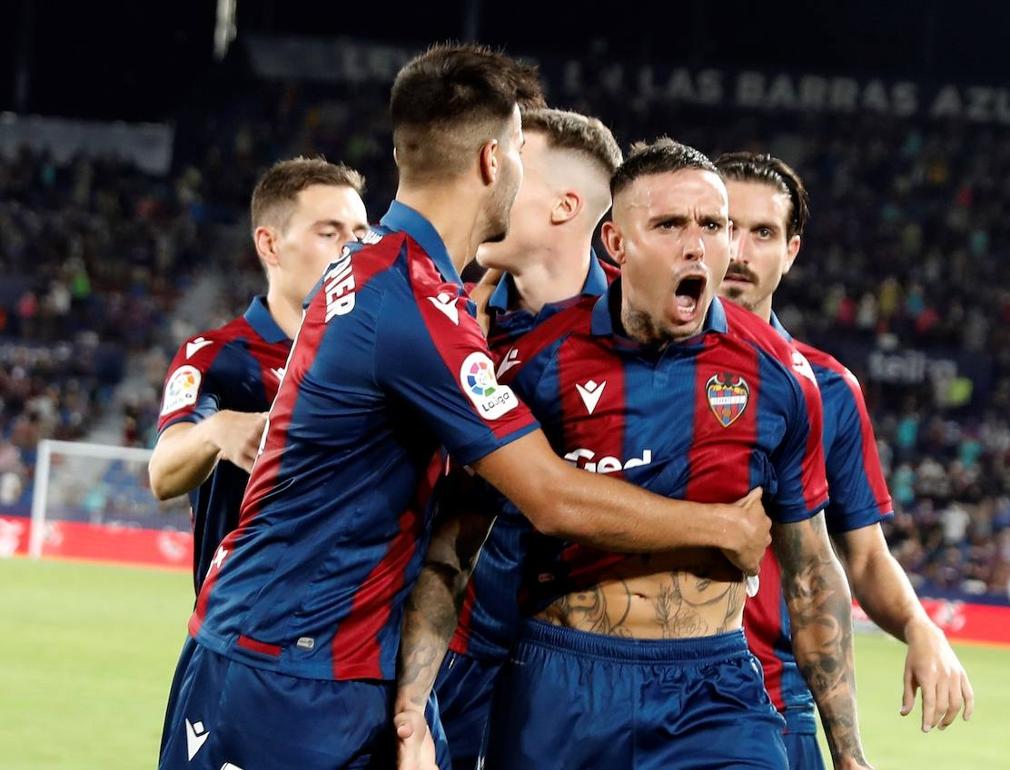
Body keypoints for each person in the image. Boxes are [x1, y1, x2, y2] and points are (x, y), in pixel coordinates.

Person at [157, 44, 769, 770]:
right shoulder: (412, 305)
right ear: (491, 160)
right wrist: (720, 526)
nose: (518, 167)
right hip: (283, 668)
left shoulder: (387, 271)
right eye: (517, 148)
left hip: (322, 656)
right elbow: (546, 495)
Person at [408, 138, 853, 770]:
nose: (696, 245)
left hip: (713, 687)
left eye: (713, 226)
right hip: (560, 685)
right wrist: (411, 708)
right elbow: (453, 549)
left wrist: (852, 753)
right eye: (669, 224)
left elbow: (811, 569)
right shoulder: (534, 362)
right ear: (616, 244)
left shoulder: (782, 376)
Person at [716, 152, 975, 764]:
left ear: (792, 250)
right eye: (725, 226)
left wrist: (919, 626)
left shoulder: (828, 389)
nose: (739, 253)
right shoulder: (632, 363)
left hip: (773, 705)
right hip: (635, 690)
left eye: (763, 233)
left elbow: (862, 556)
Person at [433, 107, 623, 770]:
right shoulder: (443, 320)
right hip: (451, 658)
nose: (485, 181)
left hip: (581, 679)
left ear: (566, 207)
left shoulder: (641, 341)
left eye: (509, 166)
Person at [148, 156, 368, 594]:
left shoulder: (378, 358)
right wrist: (215, 431)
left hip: (351, 641)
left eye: (360, 235)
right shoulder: (219, 357)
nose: (352, 249)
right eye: (329, 233)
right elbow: (163, 473)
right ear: (269, 245)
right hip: (243, 636)